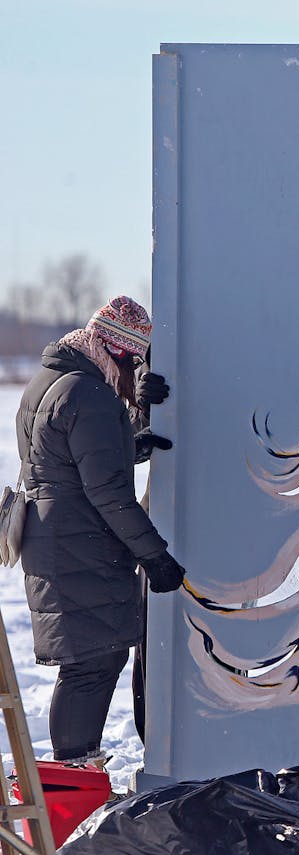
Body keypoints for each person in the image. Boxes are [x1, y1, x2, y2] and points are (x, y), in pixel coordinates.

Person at [15, 296, 184, 764]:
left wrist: (133, 436)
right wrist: (155, 555)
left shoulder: (49, 382)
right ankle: (74, 771)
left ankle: (75, 767)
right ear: (119, 354)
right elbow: (107, 490)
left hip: (56, 539)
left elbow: (69, 460)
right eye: (134, 364)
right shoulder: (88, 394)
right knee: (91, 662)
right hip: (79, 544)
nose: (133, 379)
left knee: (90, 659)